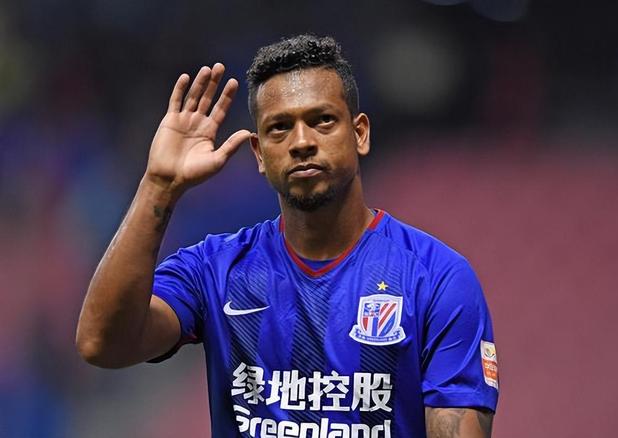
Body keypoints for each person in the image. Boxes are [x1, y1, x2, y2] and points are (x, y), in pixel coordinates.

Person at [76, 34, 499, 438]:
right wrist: (158, 185)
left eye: (322, 120)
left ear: (360, 133)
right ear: (259, 154)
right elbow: (101, 343)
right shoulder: (215, 269)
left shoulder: (436, 277)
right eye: (279, 127)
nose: (301, 142)